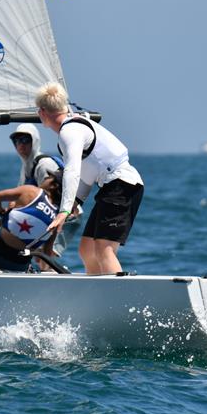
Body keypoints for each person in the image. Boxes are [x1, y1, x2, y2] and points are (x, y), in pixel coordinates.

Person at [35, 82, 144, 274]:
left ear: (42, 112)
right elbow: (87, 175)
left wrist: (64, 211)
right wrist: (75, 203)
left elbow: (73, 171)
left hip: (122, 184)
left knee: (104, 249)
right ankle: (97, 294)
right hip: (112, 186)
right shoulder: (70, 130)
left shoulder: (70, 132)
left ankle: (119, 300)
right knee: (86, 250)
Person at [10, 123, 81, 256]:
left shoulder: (44, 165)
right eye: (17, 141)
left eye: (26, 140)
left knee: (47, 253)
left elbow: (53, 196)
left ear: (35, 141)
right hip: (50, 212)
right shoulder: (26, 166)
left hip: (68, 214)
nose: (21, 144)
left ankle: (49, 273)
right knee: (37, 251)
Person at [0, 174, 62, 272]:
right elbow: (47, 250)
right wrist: (44, 270)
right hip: (21, 265)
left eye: (49, 177)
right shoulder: (59, 217)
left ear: (54, 185)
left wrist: (3, 213)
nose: (45, 178)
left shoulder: (31, 191)